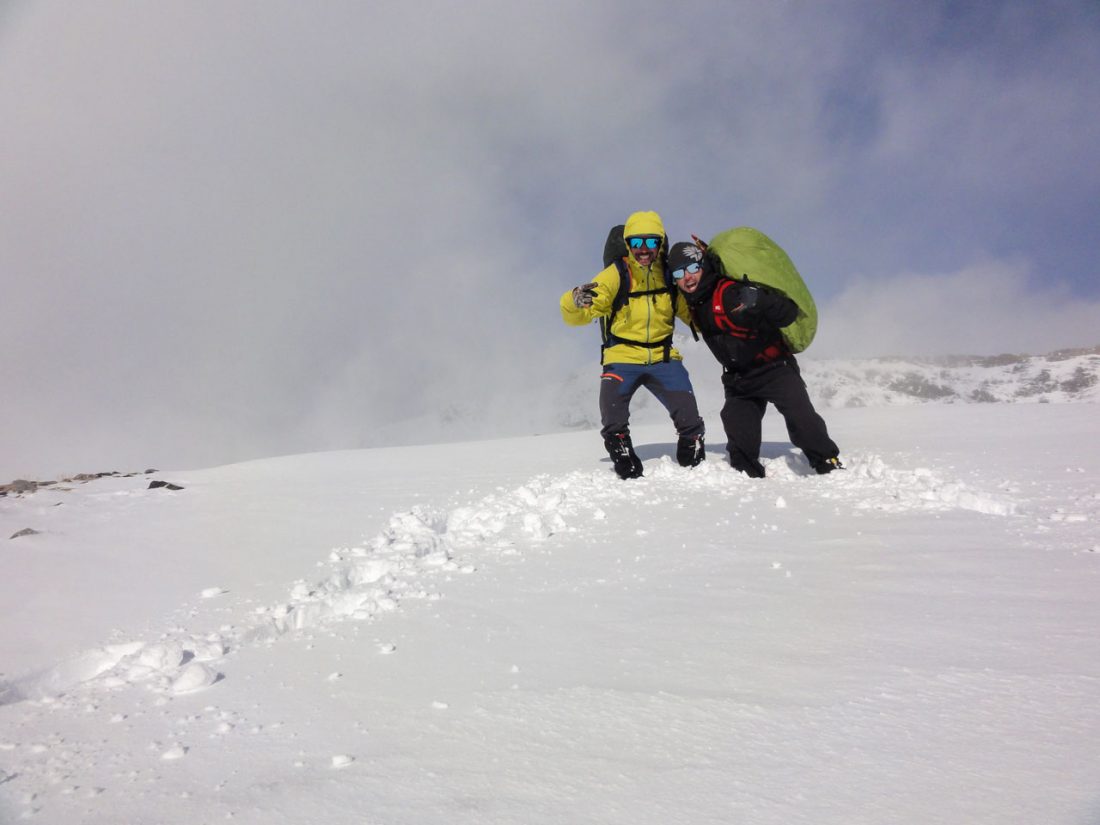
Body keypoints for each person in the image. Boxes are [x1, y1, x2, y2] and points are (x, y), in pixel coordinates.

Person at [667, 240, 842, 478]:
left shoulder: (729, 292)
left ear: (704, 265)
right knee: (740, 448)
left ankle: (827, 462)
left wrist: (761, 300)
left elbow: (788, 313)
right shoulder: (694, 303)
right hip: (739, 380)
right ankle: (751, 488)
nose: (687, 277)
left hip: (774, 369)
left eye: (692, 268)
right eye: (679, 273)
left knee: (803, 421)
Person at [561, 211, 705, 479]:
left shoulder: (668, 275)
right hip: (623, 355)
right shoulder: (617, 274)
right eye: (637, 242)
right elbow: (588, 306)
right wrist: (575, 301)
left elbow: (691, 314)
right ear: (628, 244)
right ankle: (620, 448)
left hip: (663, 355)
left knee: (689, 416)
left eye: (651, 242)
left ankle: (692, 442)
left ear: (660, 244)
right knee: (612, 412)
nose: (643, 249)